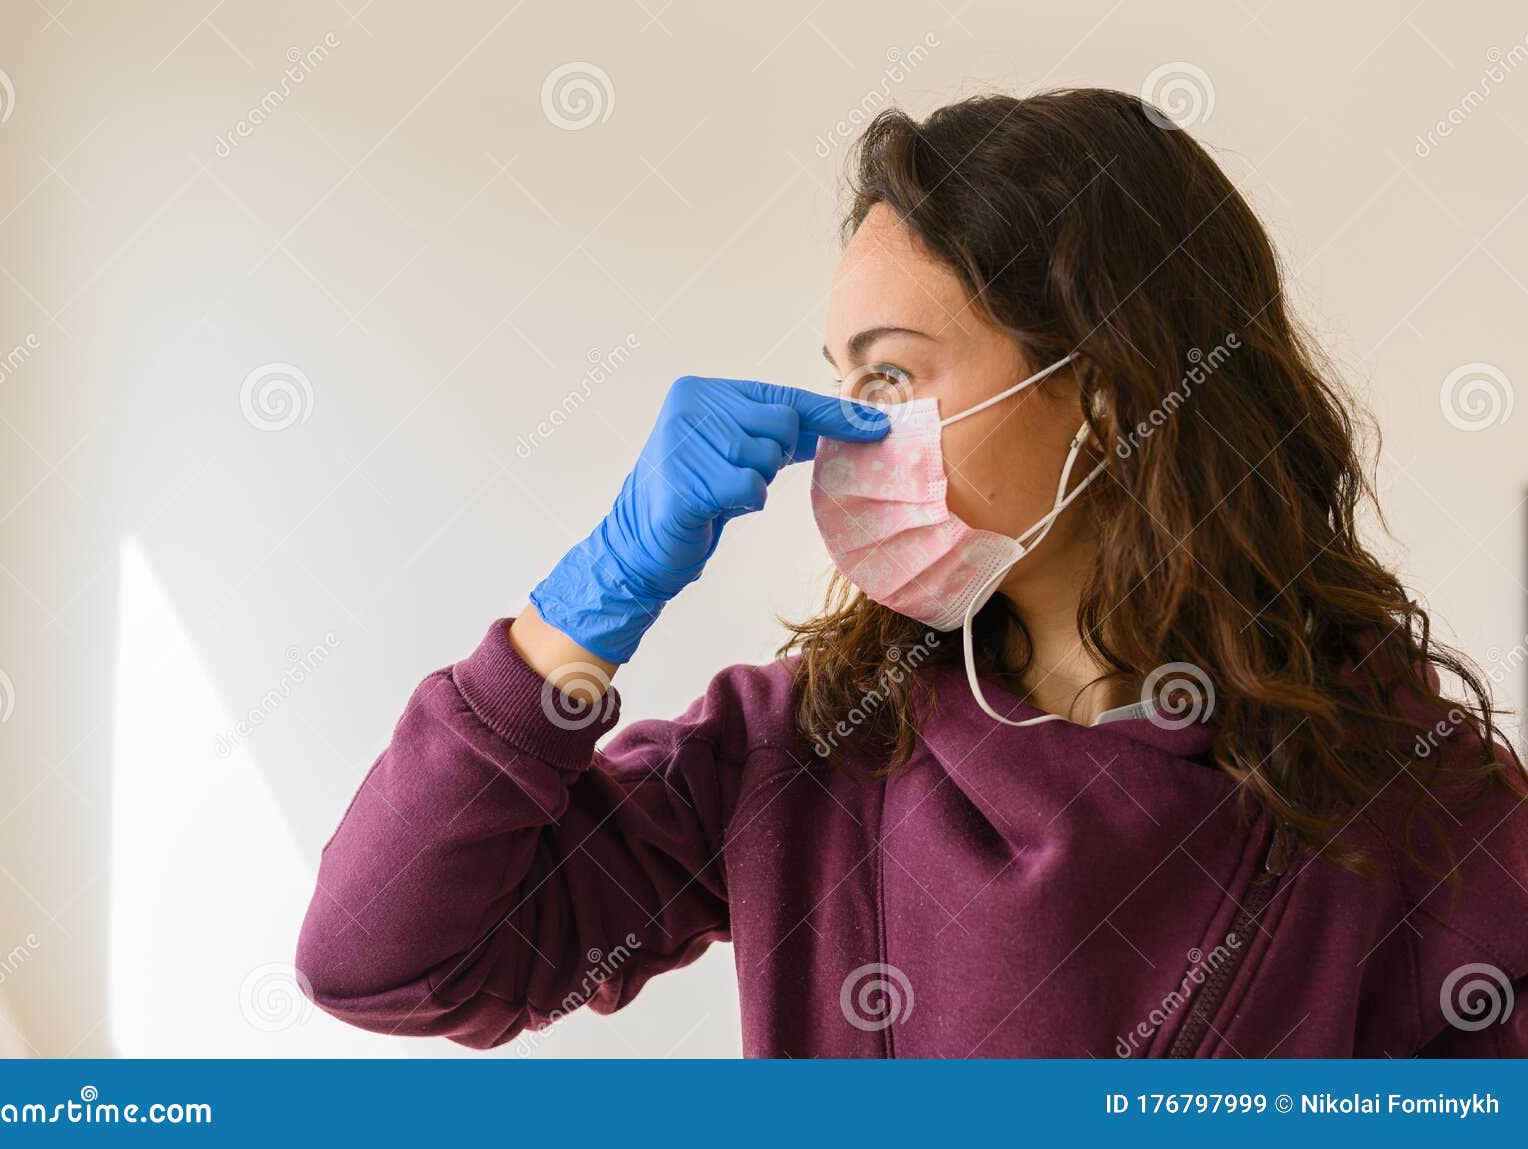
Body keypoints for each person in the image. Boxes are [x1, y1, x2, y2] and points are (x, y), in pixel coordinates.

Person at [296, 88, 1528, 1057]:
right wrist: (585, 605)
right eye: (845, 378)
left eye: (890, 375)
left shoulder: (1410, 794)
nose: (843, 431)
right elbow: (385, 958)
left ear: (1103, 393)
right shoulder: (806, 746)